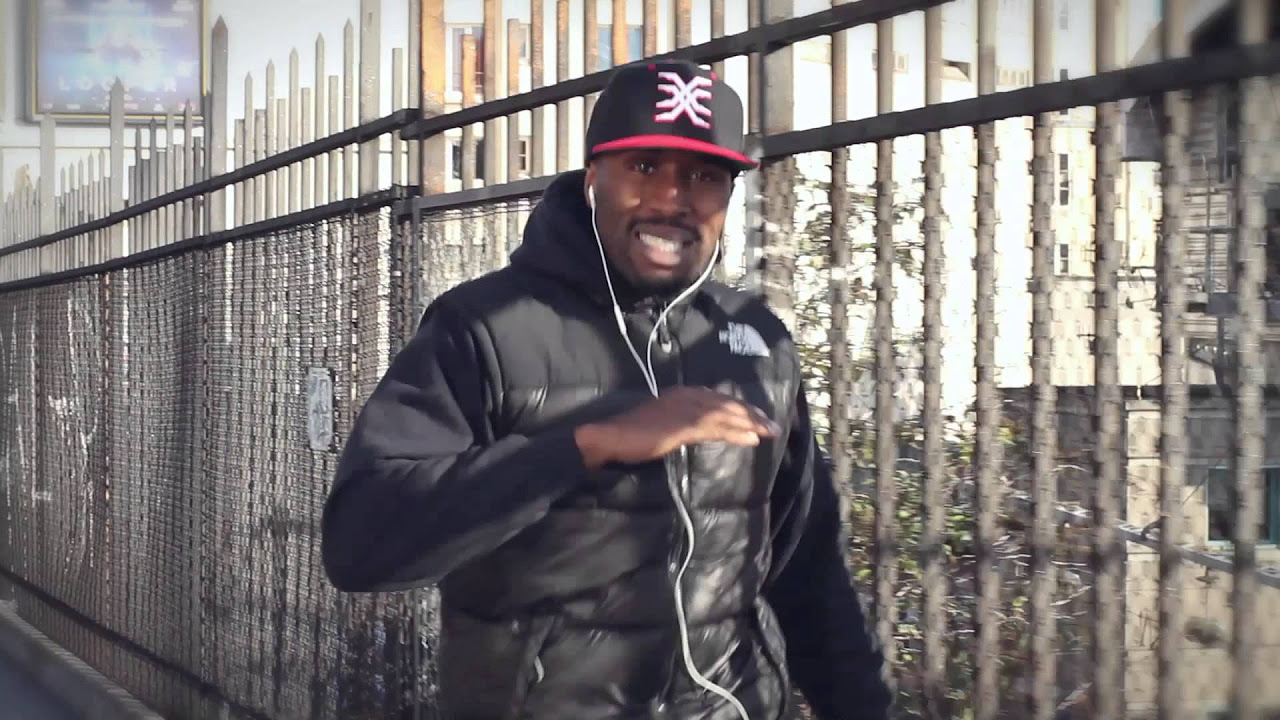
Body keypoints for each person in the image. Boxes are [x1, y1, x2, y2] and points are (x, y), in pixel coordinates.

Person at [321, 59, 891, 720]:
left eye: (704, 176)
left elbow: (809, 572)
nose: (673, 199)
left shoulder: (756, 339)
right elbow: (360, 545)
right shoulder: (481, 327)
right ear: (594, 178)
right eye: (644, 167)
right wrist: (587, 446)